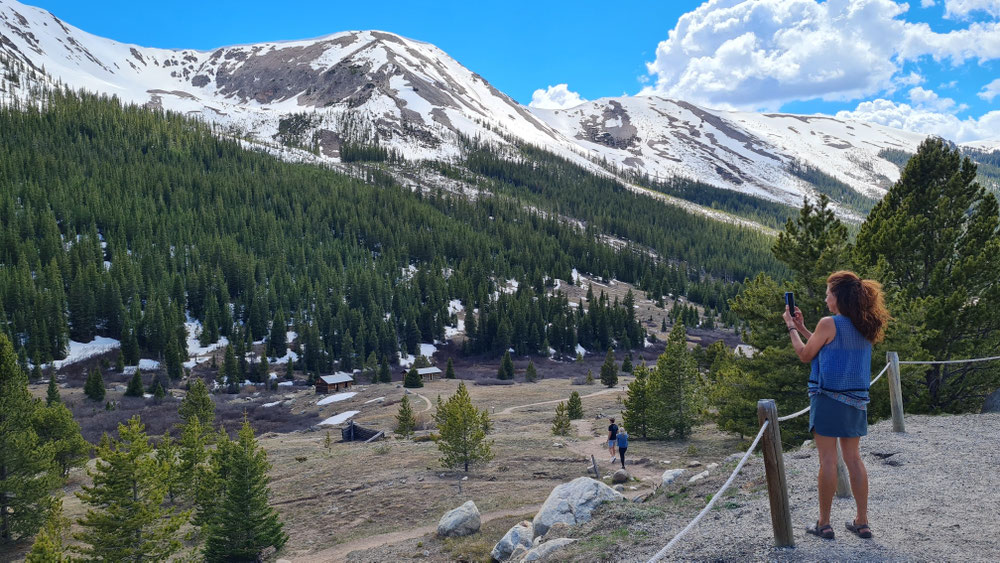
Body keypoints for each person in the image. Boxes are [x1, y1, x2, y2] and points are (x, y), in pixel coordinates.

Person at [784, 271, 889, 541]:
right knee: (854, 460)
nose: (825, 297)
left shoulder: (828, 323)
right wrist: (808, 329)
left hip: (828, 400)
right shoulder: (864, 324)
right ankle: (862, 522)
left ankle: (824, 523)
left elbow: (806, 355)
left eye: (828, 292)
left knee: (828, 461)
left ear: (838, 296)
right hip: (856, 402)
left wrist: (792, 328)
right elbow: (832, 346)